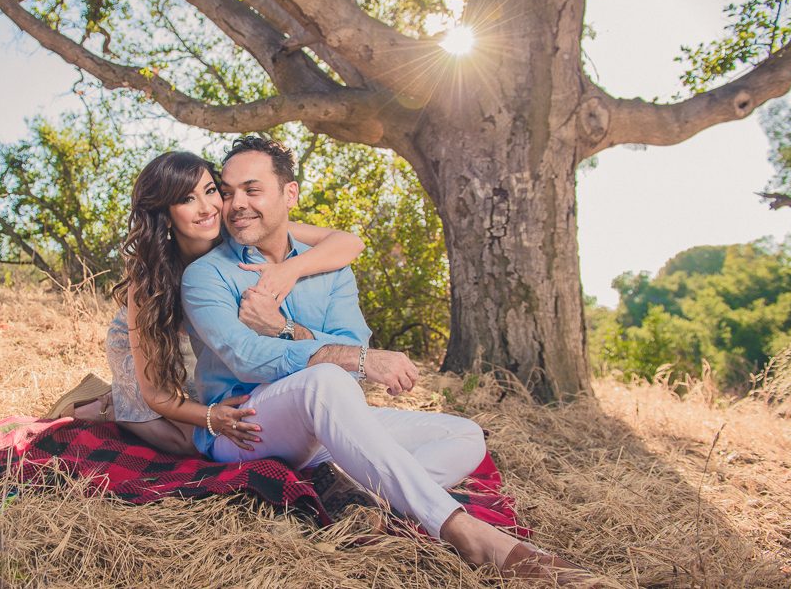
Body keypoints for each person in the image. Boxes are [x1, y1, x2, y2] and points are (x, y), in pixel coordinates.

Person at [180, 136, 598, 585]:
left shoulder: (329, 267)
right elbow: (247, 358)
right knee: (326, 380)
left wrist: (288, 329)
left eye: (251, 189)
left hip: (328, 419)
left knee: (464, 436)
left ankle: (356, 489)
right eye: (227, 191)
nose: (235, 203)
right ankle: (468, 532)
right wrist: (350, 359)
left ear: (290, 194)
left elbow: (352, 339)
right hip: (243, 424)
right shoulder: (207, 274)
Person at [49, 150, 366, 457]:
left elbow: (349, 243)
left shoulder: (240, 228)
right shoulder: (148, 283)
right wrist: (209, 417)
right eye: (187, 199)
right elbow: (156, 393)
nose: (207, 208)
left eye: (211, 191)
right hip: (154, 343)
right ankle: (107, 405)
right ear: (166, 215)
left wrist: (288, 270)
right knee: (191, 443)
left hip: (205, 344)